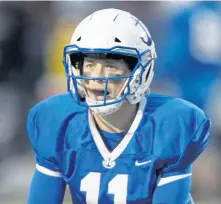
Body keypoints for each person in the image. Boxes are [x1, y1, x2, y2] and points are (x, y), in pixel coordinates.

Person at [27, 8, 211, 204]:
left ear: (140, 72)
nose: (97, 76)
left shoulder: (170, 125)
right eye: (89, 64)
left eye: (110, 65)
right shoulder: (58, 123)